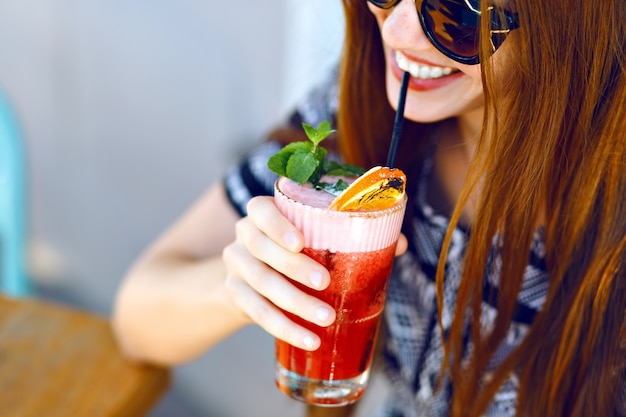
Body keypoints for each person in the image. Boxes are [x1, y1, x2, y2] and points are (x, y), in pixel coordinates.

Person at [112, 1, 626, 416]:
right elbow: (137, 317)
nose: (400, 32)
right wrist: (243, 288)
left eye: (459, 13)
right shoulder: (354, 112)